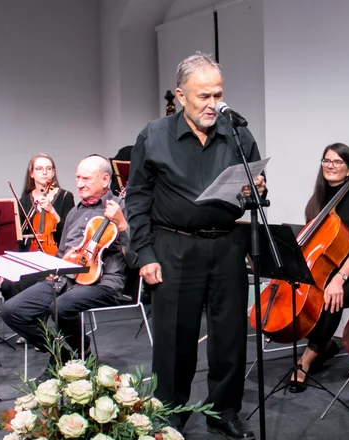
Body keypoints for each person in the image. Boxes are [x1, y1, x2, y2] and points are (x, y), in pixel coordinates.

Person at [126, 52, 265, 440]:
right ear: (180, 95)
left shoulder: (238, 134)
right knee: (174, 339)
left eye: (217, 94)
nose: (212, 104)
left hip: (225, 245)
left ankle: (224, 412)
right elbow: (136, 198)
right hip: (173, 246)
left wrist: (257, 188)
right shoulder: (154, 135)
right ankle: (171, 414)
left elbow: (253, 183)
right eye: (203, 96)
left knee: (230, 337)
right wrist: (144, 254)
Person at [1, 155, 136, 382]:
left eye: (86, 179)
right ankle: (61, 353)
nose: (79, 184)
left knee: (61, 306)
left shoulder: (122, 209)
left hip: (103, 282)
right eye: (77, 178)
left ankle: (83, 353)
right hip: (66, 278)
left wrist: (122, 225)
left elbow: (135, 258)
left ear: (105, 180)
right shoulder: (74, 212)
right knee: (12, 310)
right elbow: (63, 252)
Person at [289, 143, 349, 392]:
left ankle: (305, 362)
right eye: (326, 161)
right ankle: (325, 346)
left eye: (338, 162)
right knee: (305, 296)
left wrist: (339, 279)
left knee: (329, 300)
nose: (330, 166)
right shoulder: (318, 199)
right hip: (327, 268)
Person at [0, 154, 75, 302]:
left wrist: (52, 211)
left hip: (57, 257)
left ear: (53, 172)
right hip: (32, 258)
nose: (45, 172)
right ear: (32, 174)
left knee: (40, 283)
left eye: (48, 169)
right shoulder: (25, 200)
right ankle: (25, 319)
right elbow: (18, 238)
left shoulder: (66, 196)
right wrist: (6, 269)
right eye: (39, 169)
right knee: (8, 285)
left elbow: (70, 230)